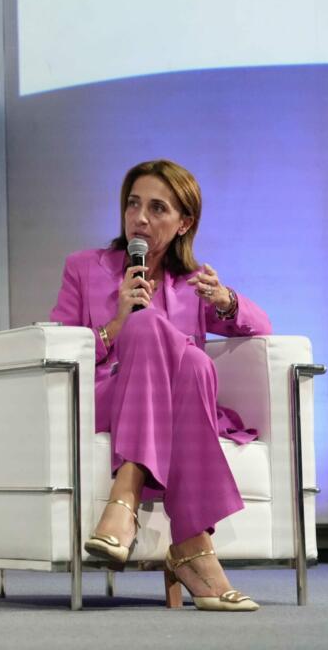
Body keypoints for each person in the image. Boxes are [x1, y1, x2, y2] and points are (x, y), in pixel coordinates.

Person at [49, 159, 270, 612]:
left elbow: (261, 326)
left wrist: (226, 300)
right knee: (161, 337)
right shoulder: (84, 267)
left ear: (184, 222)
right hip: (107, 398)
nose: (140, 218)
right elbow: (58, 347)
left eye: (157, 208)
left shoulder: (193, 285)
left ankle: (127, 498)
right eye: (133, 205)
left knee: (194, 365)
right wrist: (117, 324)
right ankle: (190, 546)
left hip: (174, 407)